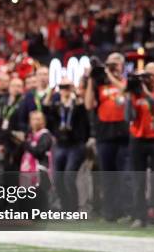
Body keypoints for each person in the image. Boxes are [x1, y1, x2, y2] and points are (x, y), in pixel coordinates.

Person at [84, 53, 130, 221]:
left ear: (123, 66)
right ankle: (110, 212)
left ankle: (126, 211)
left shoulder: (128, 81)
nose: (112, 66)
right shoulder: (100, 85)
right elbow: (89, 104)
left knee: (124, 176)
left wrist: (110, 74)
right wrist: (91, 79)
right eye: (109, 64)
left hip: (124, 135)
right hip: (105, 135)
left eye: (116, 64)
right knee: (108, 176)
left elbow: (124, 91)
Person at [125, 62, 154, 227]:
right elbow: (129, 117)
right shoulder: (135, 95)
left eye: (151, 74)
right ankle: (140, 215)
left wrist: (148, 95)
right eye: (145, 75)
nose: (147, 78)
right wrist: (129, 97)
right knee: (138, 179)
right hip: (138, 139)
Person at [44, 78, 90, 212]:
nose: (65, 89)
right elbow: (45, 109)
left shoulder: (77, 104)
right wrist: (50, 92)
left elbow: (84, 112)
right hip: (61, 144)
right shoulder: (58, 105)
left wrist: (75, 92)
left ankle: (74, 209)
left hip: (75, 145)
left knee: (69, 177)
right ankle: (65, 208)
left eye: (67, 86)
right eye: (62, 87)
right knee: (58, 179)